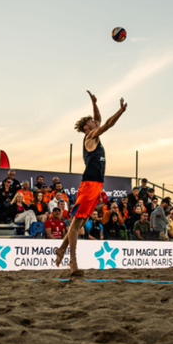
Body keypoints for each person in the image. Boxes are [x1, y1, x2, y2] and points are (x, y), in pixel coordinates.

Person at [54, 91, 127, 275]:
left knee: (81, 220)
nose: (97, 122)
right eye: (93, 122)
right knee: (77, 223)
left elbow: (100, 118)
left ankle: (62, 249)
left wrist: (94, 103)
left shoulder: (93, 135)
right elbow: (108, 123)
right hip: (89, 183)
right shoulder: (90, 137)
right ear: (88, 127)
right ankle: (73, 264)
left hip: (96, 184)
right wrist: (120, 111)